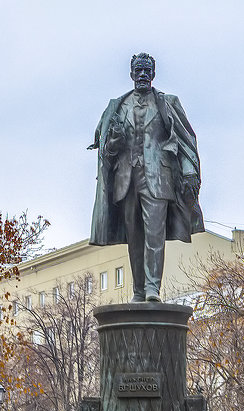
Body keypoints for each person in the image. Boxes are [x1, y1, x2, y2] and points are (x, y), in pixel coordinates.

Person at [89, 52, 203, 302]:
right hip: (126, 180)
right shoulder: (117, 106)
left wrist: (189, 170)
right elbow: (106, 152)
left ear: (153, 74)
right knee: (135, 238)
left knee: (154, 234)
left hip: (158, 178)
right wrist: (114, 143)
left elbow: (185, 142)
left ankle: (153, 289)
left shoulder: (167, 103)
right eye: (138, 70)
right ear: (131, 74)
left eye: (147, 71)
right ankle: (138, 290)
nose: (142, 75)